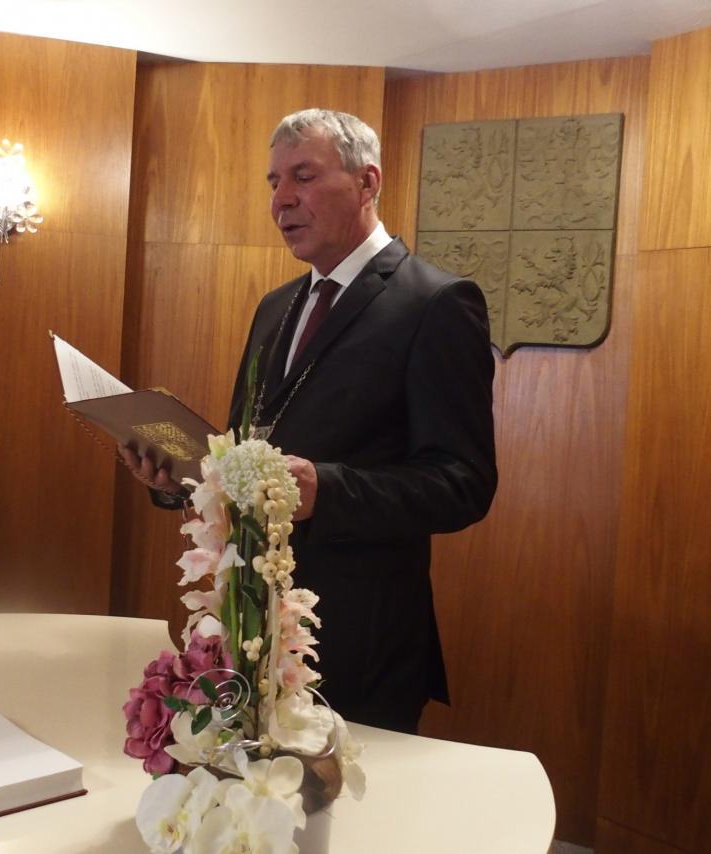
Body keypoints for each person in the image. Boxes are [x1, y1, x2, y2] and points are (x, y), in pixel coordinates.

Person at [125, 109, 497, 733]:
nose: (281, 200)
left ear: (367, 182)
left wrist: (327, 489)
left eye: (303, 176)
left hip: (360, 641)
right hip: (252, 624)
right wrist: (182, 479)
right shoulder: (276, 307)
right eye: (274, 182)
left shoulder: (434, 302)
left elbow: (464, 483)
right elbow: (250, 447)